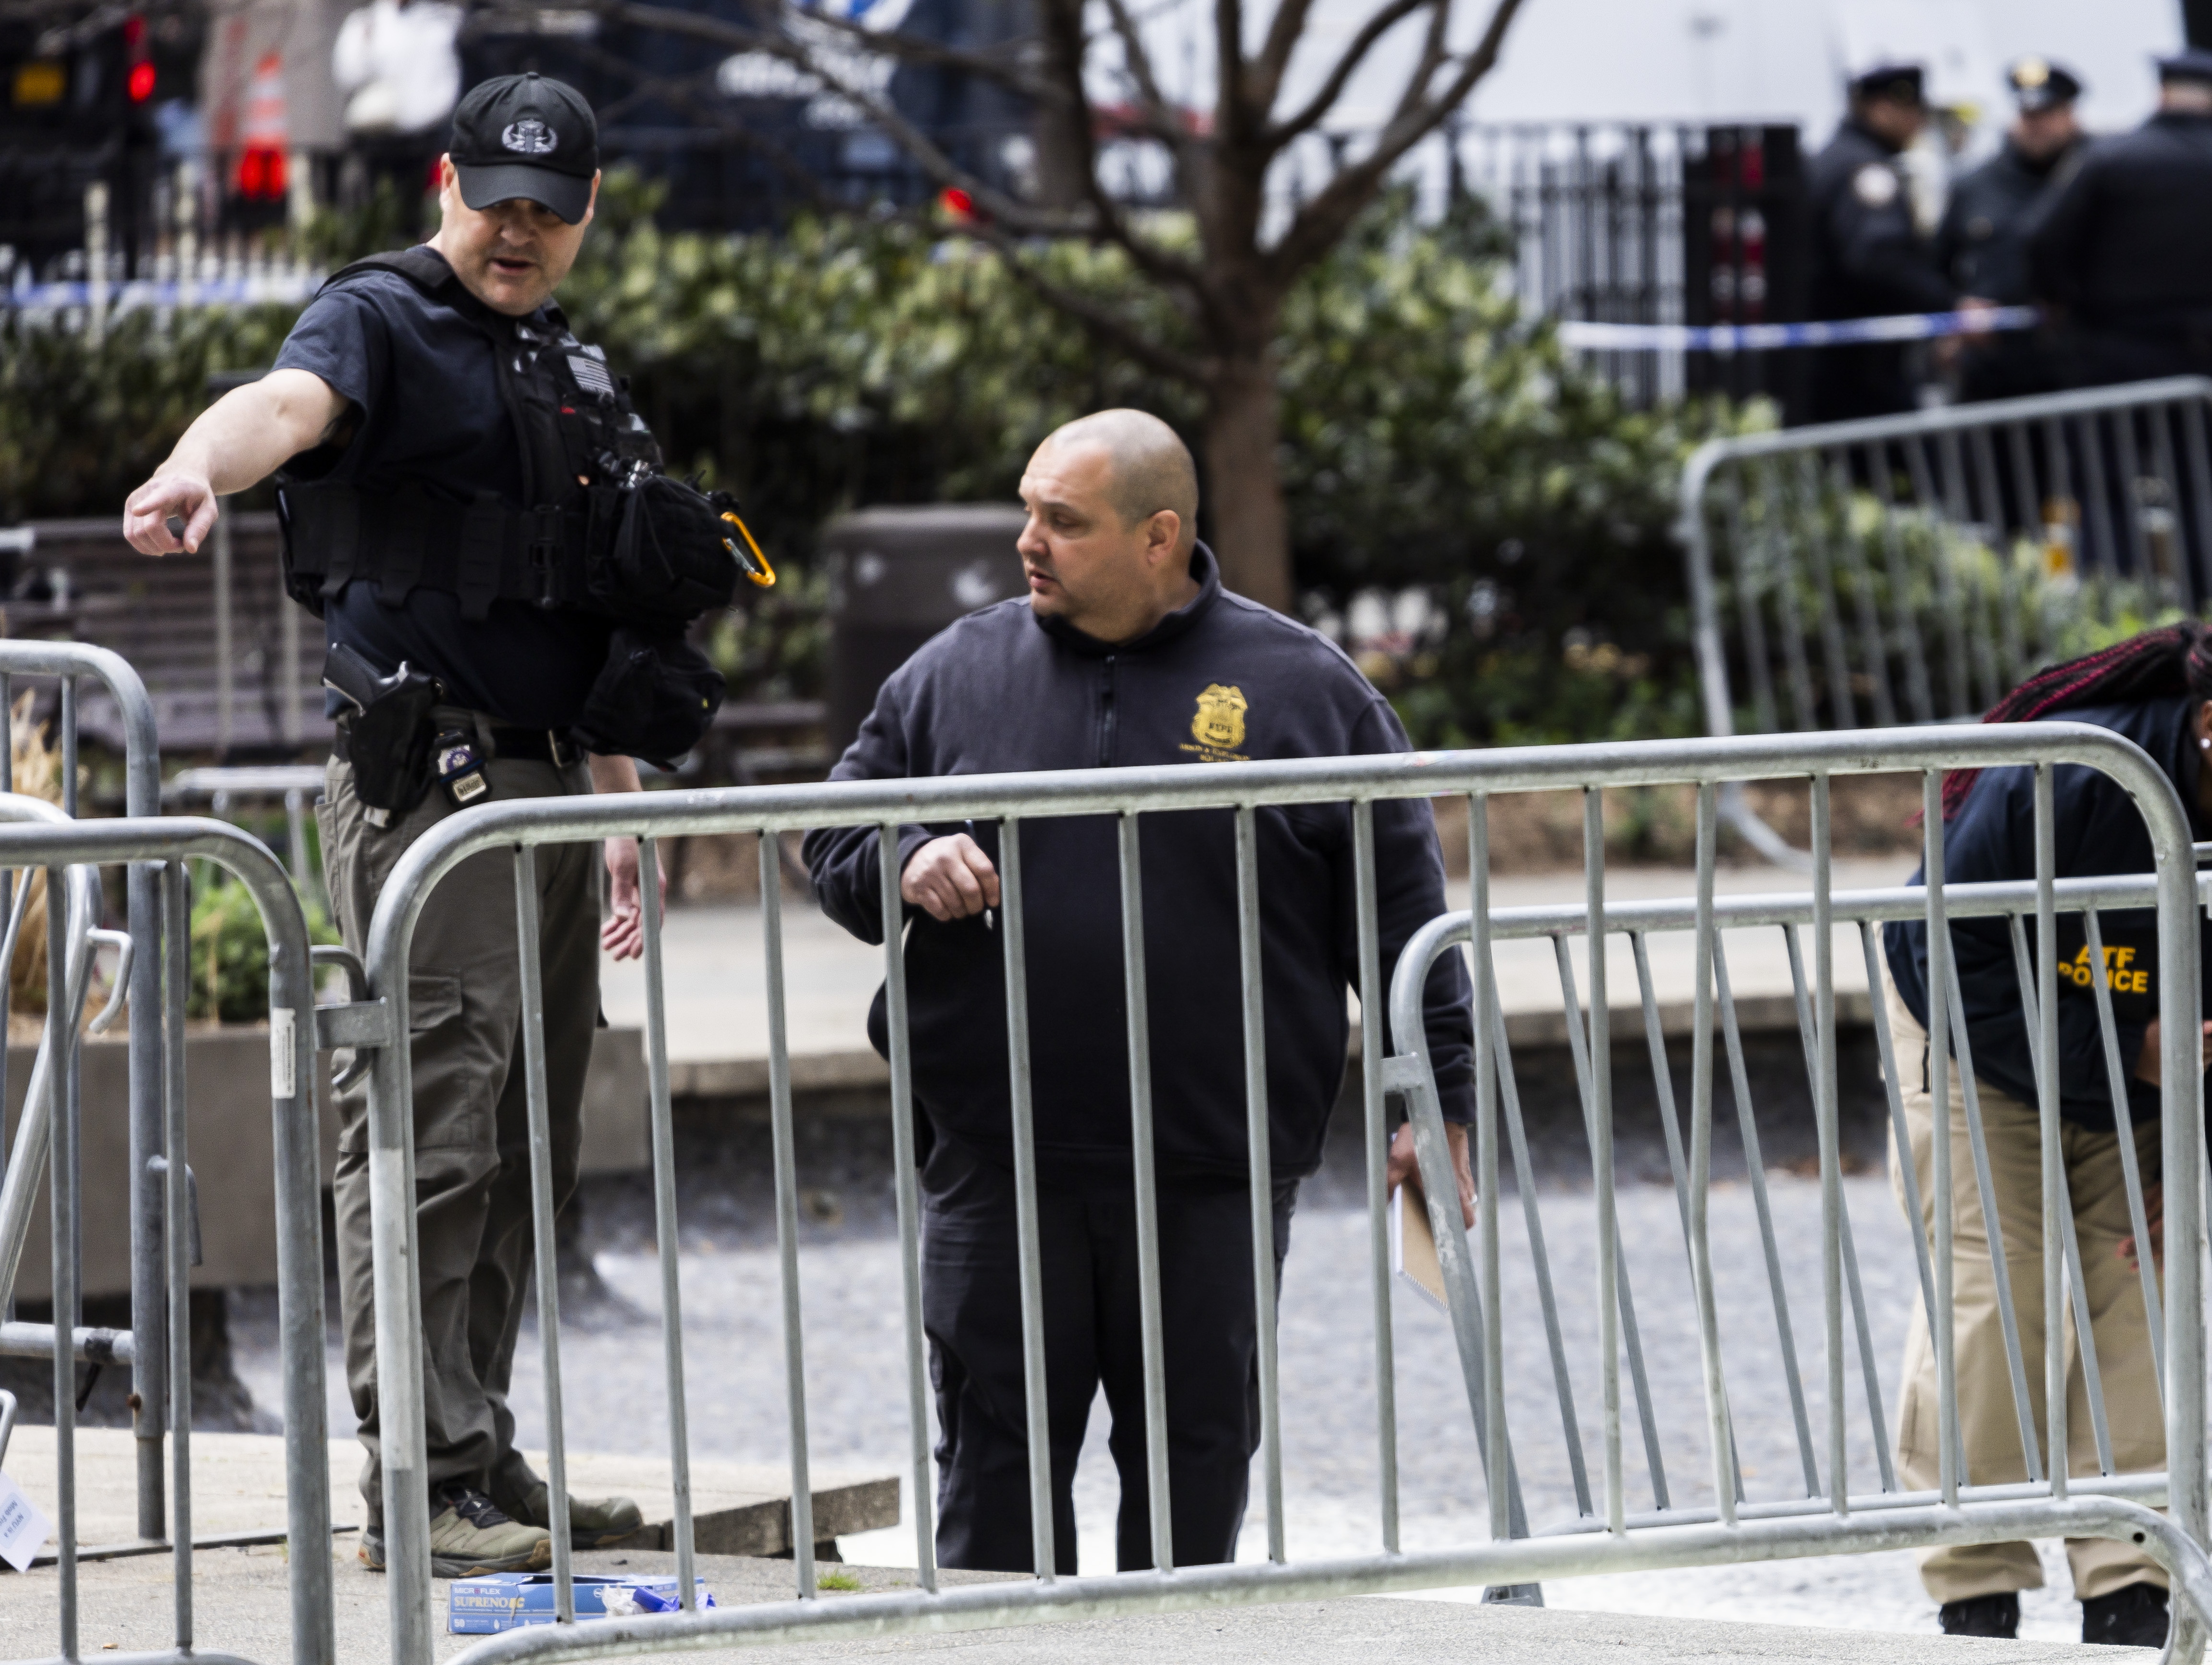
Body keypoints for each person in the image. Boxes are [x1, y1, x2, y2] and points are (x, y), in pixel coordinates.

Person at [122, 71, 739, 1577]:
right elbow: (284, 405)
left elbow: (599, 603)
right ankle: (417, 1472)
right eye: (494, 200)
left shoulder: (567, 368)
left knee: (524, 1142)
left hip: (538, 789)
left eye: (548, 208)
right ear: (445, 186)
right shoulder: (378, 319)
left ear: (587, 215)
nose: (515, 231)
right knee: (426, 1134)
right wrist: (195, 466)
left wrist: (615, 809)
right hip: (435, 787)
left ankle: (479, 1445)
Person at [801, 410, 1476, 1577]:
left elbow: (1404, 909)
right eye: (1028, 509)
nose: (1028, 541)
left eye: (1063, 521)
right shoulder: (957, 672)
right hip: (996, 1157)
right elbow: (826, 831)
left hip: (1210, 1162)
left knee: (1194, 1471)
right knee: (994, 1476)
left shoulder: (1304, 689)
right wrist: (904, 852)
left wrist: (1442, 1101)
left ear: (1159, 536)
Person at [1883, 608, 2212, 1645]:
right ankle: (1977, 1574)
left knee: (2141, 1280)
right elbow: (1945, 958)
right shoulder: (2062, 779)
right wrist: (2112, 1048)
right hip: (1976, 1032)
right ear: (2210, 727)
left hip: (2156, 1064)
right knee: (2000, 1280)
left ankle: (2130, 1576)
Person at [2022, 48, 2212, 393]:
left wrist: (2059, 300)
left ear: (2162, 94)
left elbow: (2042, 238)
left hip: (2115, 349)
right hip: (2208, 353)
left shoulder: (2110, 157)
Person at [1803, 60, 1966, 425]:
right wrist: (1949, 304)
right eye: (1911, 111)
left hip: (1834, 358)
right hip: (1859, 363)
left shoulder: (1835, 157)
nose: (1919, 124)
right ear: (1879, 109)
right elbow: (1880, 258)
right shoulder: (1865, 170)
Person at [1936, 56, 2086, 405]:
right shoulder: (1976, 186)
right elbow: (1937, 264)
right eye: (2028, 116)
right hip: (1995, 371)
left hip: (2077, 364)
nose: (2036, 126)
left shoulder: (2095, 178)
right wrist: (1955, 308)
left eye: (2047, 115)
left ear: (2070, 115)